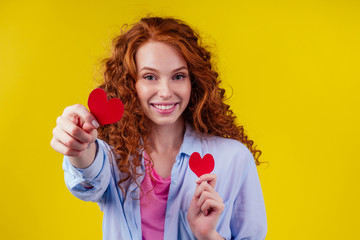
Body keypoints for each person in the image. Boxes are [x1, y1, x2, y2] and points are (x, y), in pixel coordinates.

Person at [51, 17, 267, 240]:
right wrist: (78, 145)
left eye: (178, 76)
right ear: (130, 83)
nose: (165, 91)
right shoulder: (113, 154)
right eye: (150, 77)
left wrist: (208, 235)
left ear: (194, 82)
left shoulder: (234, 158)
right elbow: (89, 180)